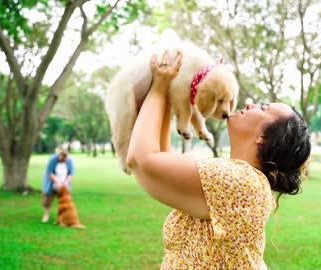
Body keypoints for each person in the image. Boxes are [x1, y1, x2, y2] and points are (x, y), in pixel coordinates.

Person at [126, 51, 311, 269]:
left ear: (264, 138)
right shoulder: (237, 179)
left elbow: (141, 160)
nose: (250, 104)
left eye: (263, 108)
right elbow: (159, 160)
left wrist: (159, 85)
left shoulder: (241, 182)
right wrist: (166, 90)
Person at [41, 149, 75, 223]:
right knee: (48, 199)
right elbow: (50, 173)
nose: (63, 160)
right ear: (59, 155)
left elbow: (71, 174)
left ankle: (61, 217)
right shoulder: (52, 159)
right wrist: (58, 183)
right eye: (62, 159)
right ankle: (46, 215)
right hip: (53, 182)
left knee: (66, 201)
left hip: (65, 183)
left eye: (65, 159)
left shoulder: (70, 160)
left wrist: (65, 183)